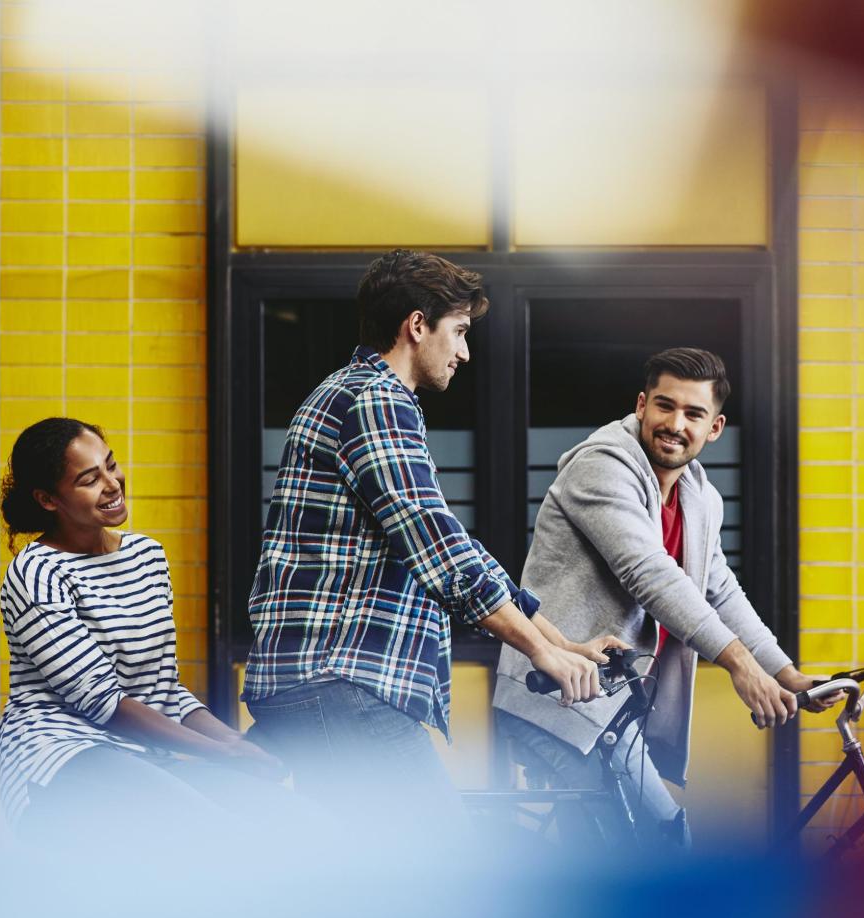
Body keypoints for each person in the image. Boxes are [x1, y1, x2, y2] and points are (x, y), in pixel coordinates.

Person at [243, 249, 613, 829]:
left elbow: (454, 547)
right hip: (341, 682)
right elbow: (434, 544)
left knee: (373, 881)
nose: (465, 352)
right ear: (417, 325)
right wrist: (539, 652)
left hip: (327, 683)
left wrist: (561, 643)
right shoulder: (375, 400)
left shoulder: (360, 396)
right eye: (459, 331)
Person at [493, 347, 839, 845]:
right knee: (664, 840)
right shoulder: (602, 466)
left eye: (693, 413)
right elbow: (650, 574)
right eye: (665, 405)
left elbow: (719, 591)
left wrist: (787, 674)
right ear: (641, 405)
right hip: (560, 699)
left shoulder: (700, 496)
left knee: (603, 865)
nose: (675, 423)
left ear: (714, 427)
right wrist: (741, 666)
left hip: (613, 705)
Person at [0, 417, 290, 847]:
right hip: (57, 755)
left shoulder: (146, 555)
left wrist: (233, 738)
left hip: (140, 756)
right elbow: (101, 702)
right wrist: (224, 754)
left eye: (110, 465)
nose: (112, 484)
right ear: (47, 500)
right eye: (88, 479)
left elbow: (164, 690)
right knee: (218, 830)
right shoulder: (36, 572)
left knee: (281, 812)